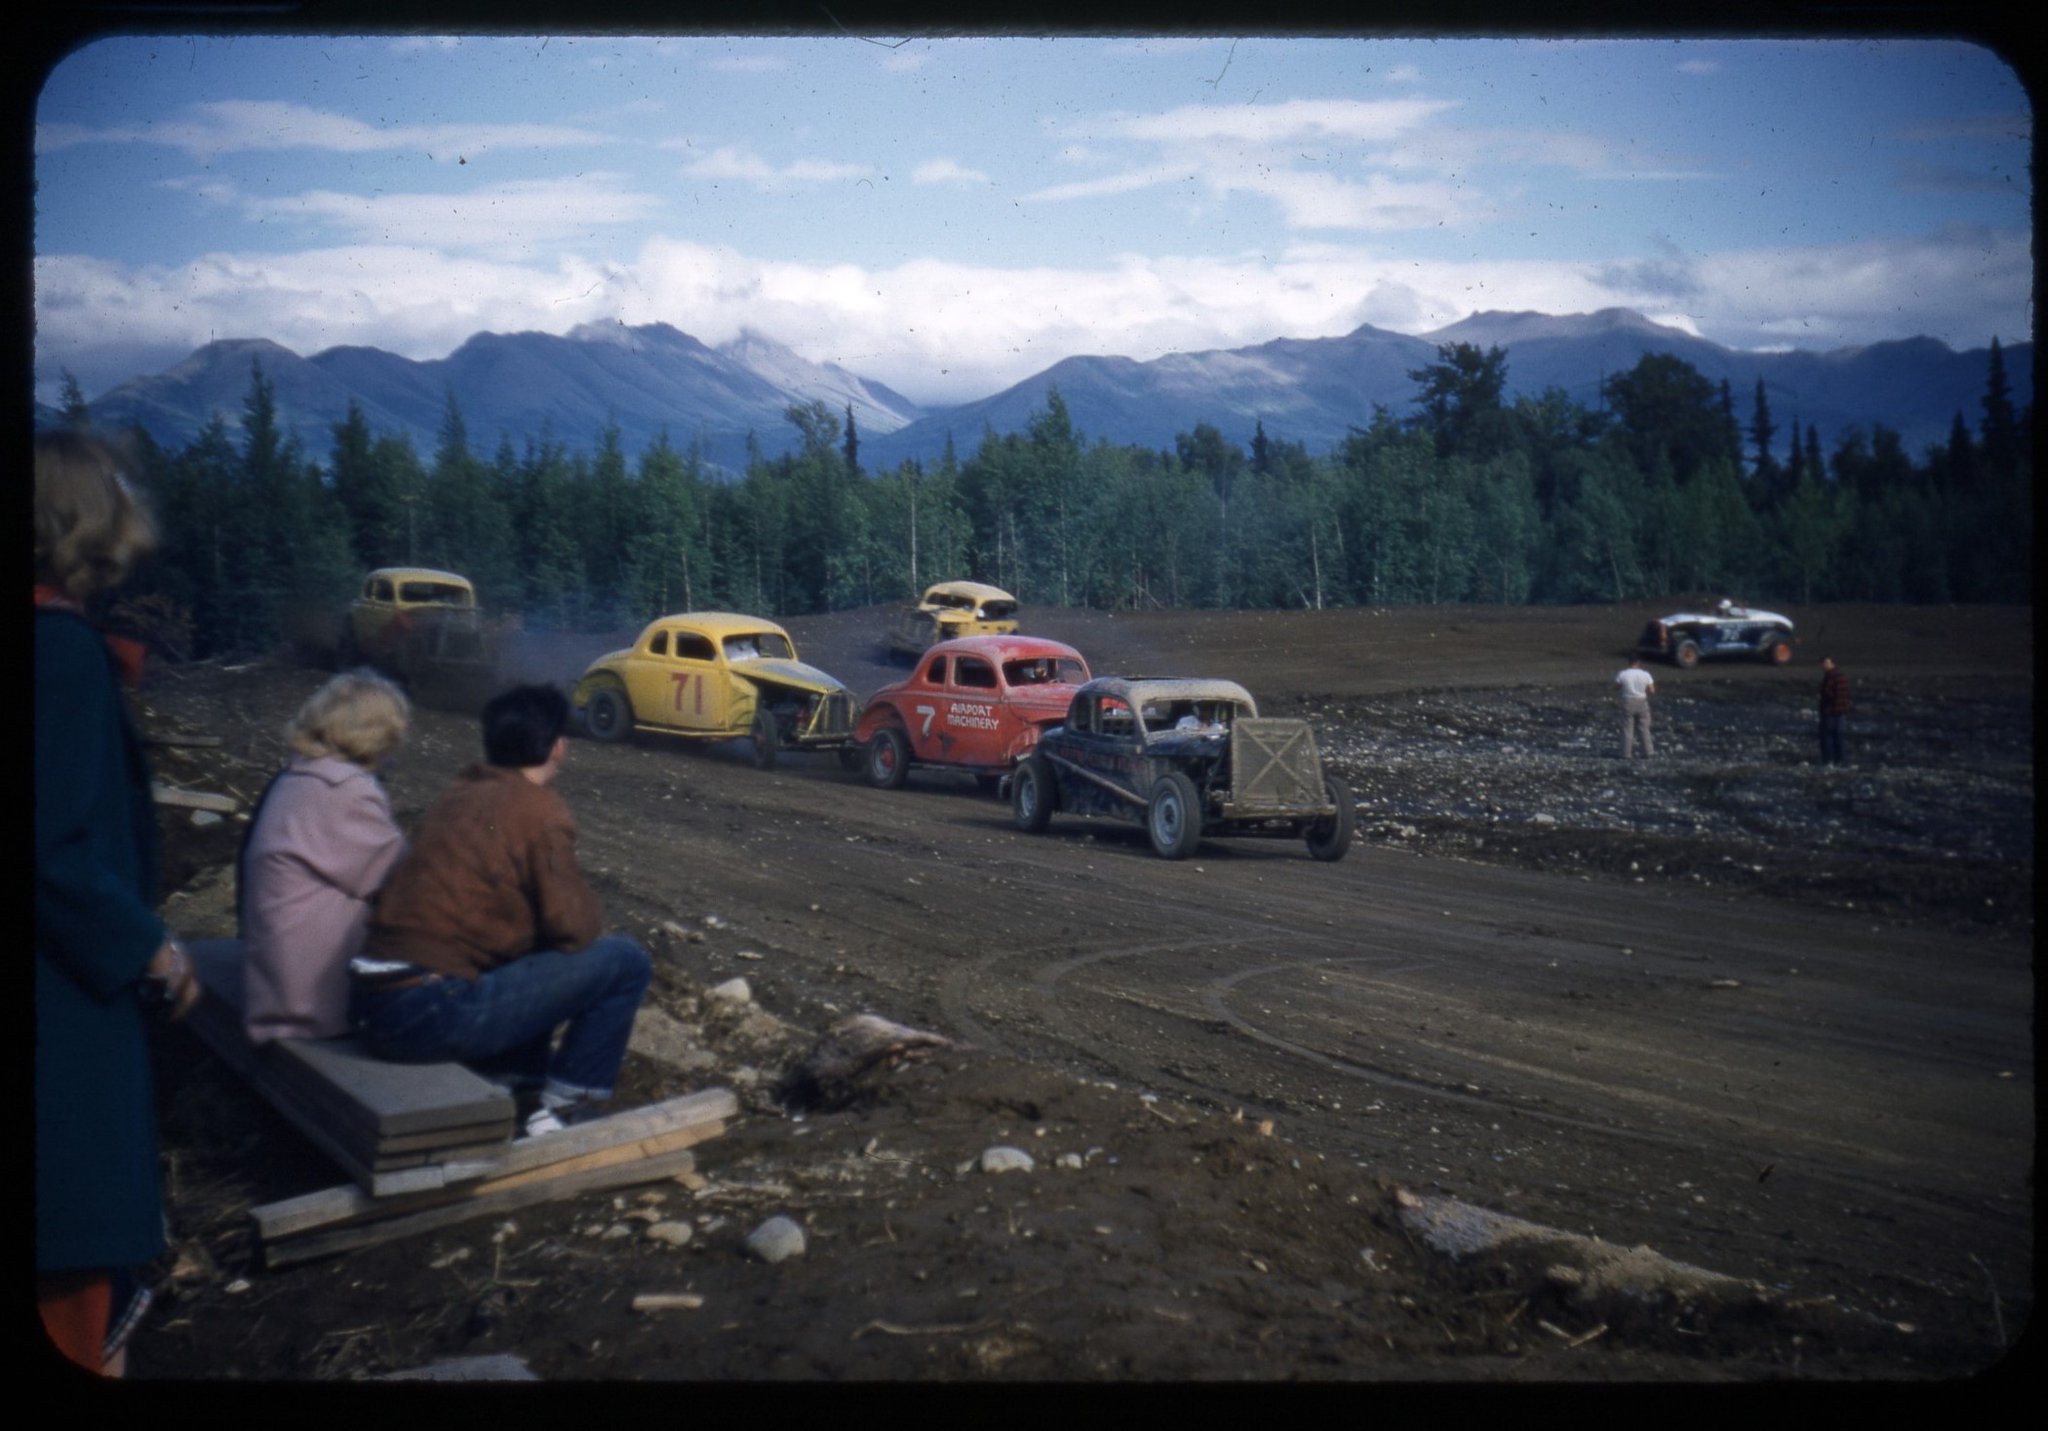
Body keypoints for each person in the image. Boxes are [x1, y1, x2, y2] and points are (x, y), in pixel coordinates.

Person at [35, 430, 200, 1377]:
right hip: (62, 1010)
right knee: (74, 1277)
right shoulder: (59, 654)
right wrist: (150, 946)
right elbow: (49, 846)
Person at [350, 684, 652, 1135]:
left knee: (526, 945)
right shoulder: (539, 810)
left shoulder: (462, 791)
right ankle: (571, 1106)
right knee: (625, 961)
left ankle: (515, 1080)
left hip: (375, 1006)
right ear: (558, 747)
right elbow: (575, 929)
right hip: (427, 1010)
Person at [239, 671, 411, 1043]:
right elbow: (405, 881)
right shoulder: (345, 791)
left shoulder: (299, 777)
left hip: (278, 985)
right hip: (313, 1003)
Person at [1615, 655, 1656, 759]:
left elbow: (1617, 687)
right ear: (1638, 663)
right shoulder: (1645, 674)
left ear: (1629, 663)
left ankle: (1625, 754)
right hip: (1641, 701)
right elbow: (1652, 690)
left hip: (1627, 701)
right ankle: (1648, 752)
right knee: (1644, 728)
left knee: (1627, 728)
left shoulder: (1623, 674)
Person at [1818, 656, 1851, 765]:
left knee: (1827, 737)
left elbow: (1828, 695)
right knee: (1839, 737)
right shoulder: (1842, 676)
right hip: (1841, 712)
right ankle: (1840, 760)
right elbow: (1846, 695)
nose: (1824, 665)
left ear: (1833, 664)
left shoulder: (1830, 678)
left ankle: (1829, 760)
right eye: (1823, 663)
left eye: (1826, 663)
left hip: (1830, 712)